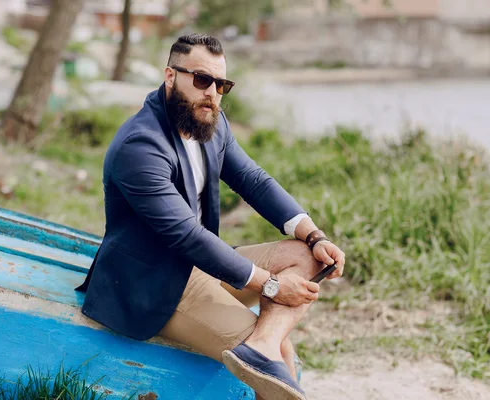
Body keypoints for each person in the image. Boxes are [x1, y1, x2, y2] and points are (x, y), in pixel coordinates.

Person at [75, 33, 346, 400]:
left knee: (304, 256)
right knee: (280, 369)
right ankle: (264, 347)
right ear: (170, 75)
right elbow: (186, 235)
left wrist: (314, 234)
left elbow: (254, 180)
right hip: (153, 287)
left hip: (203, 266)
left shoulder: (209, 123)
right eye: (202, 80)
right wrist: (271, 285)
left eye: (222, 84)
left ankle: (263, 342)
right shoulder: (140, 145)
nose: (213, 93)